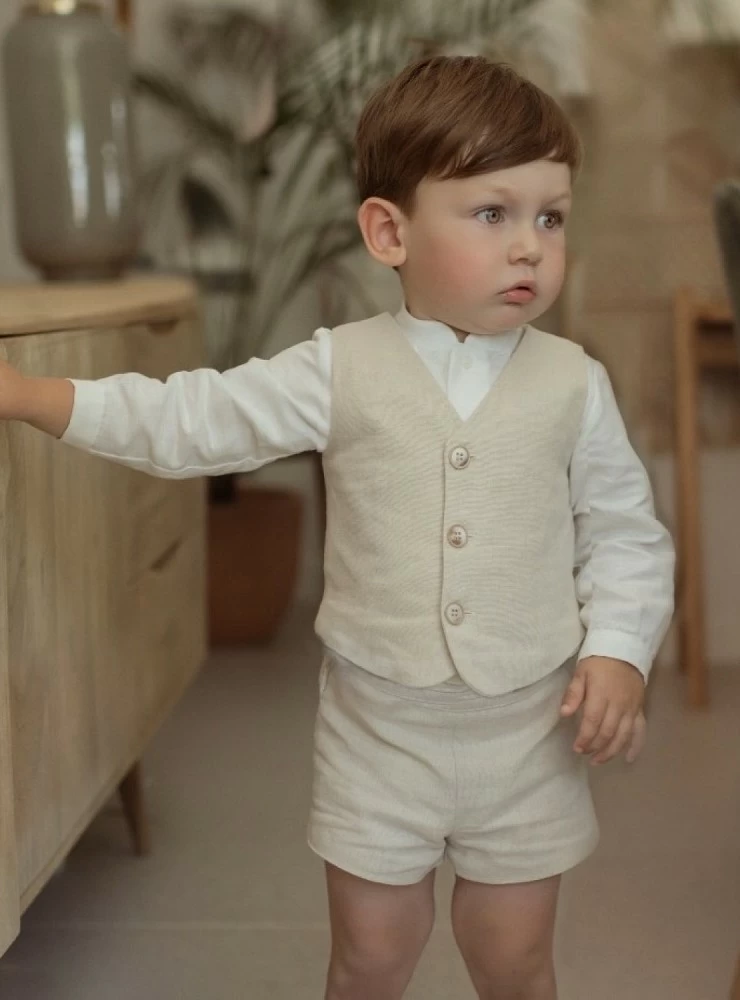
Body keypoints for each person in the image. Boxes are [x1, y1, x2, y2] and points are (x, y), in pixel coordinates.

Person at [0, 56, 674, 1000]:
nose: (530, 246)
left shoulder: (574, 382)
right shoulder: (338, 368)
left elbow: (626, 531)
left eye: (550, 216)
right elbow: (195, 419)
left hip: (527, 730)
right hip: (376, 731)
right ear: (388, 231)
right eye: (493, 213)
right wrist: (36, 396)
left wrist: (620, 651)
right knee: (369, 959)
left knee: (514, 959)